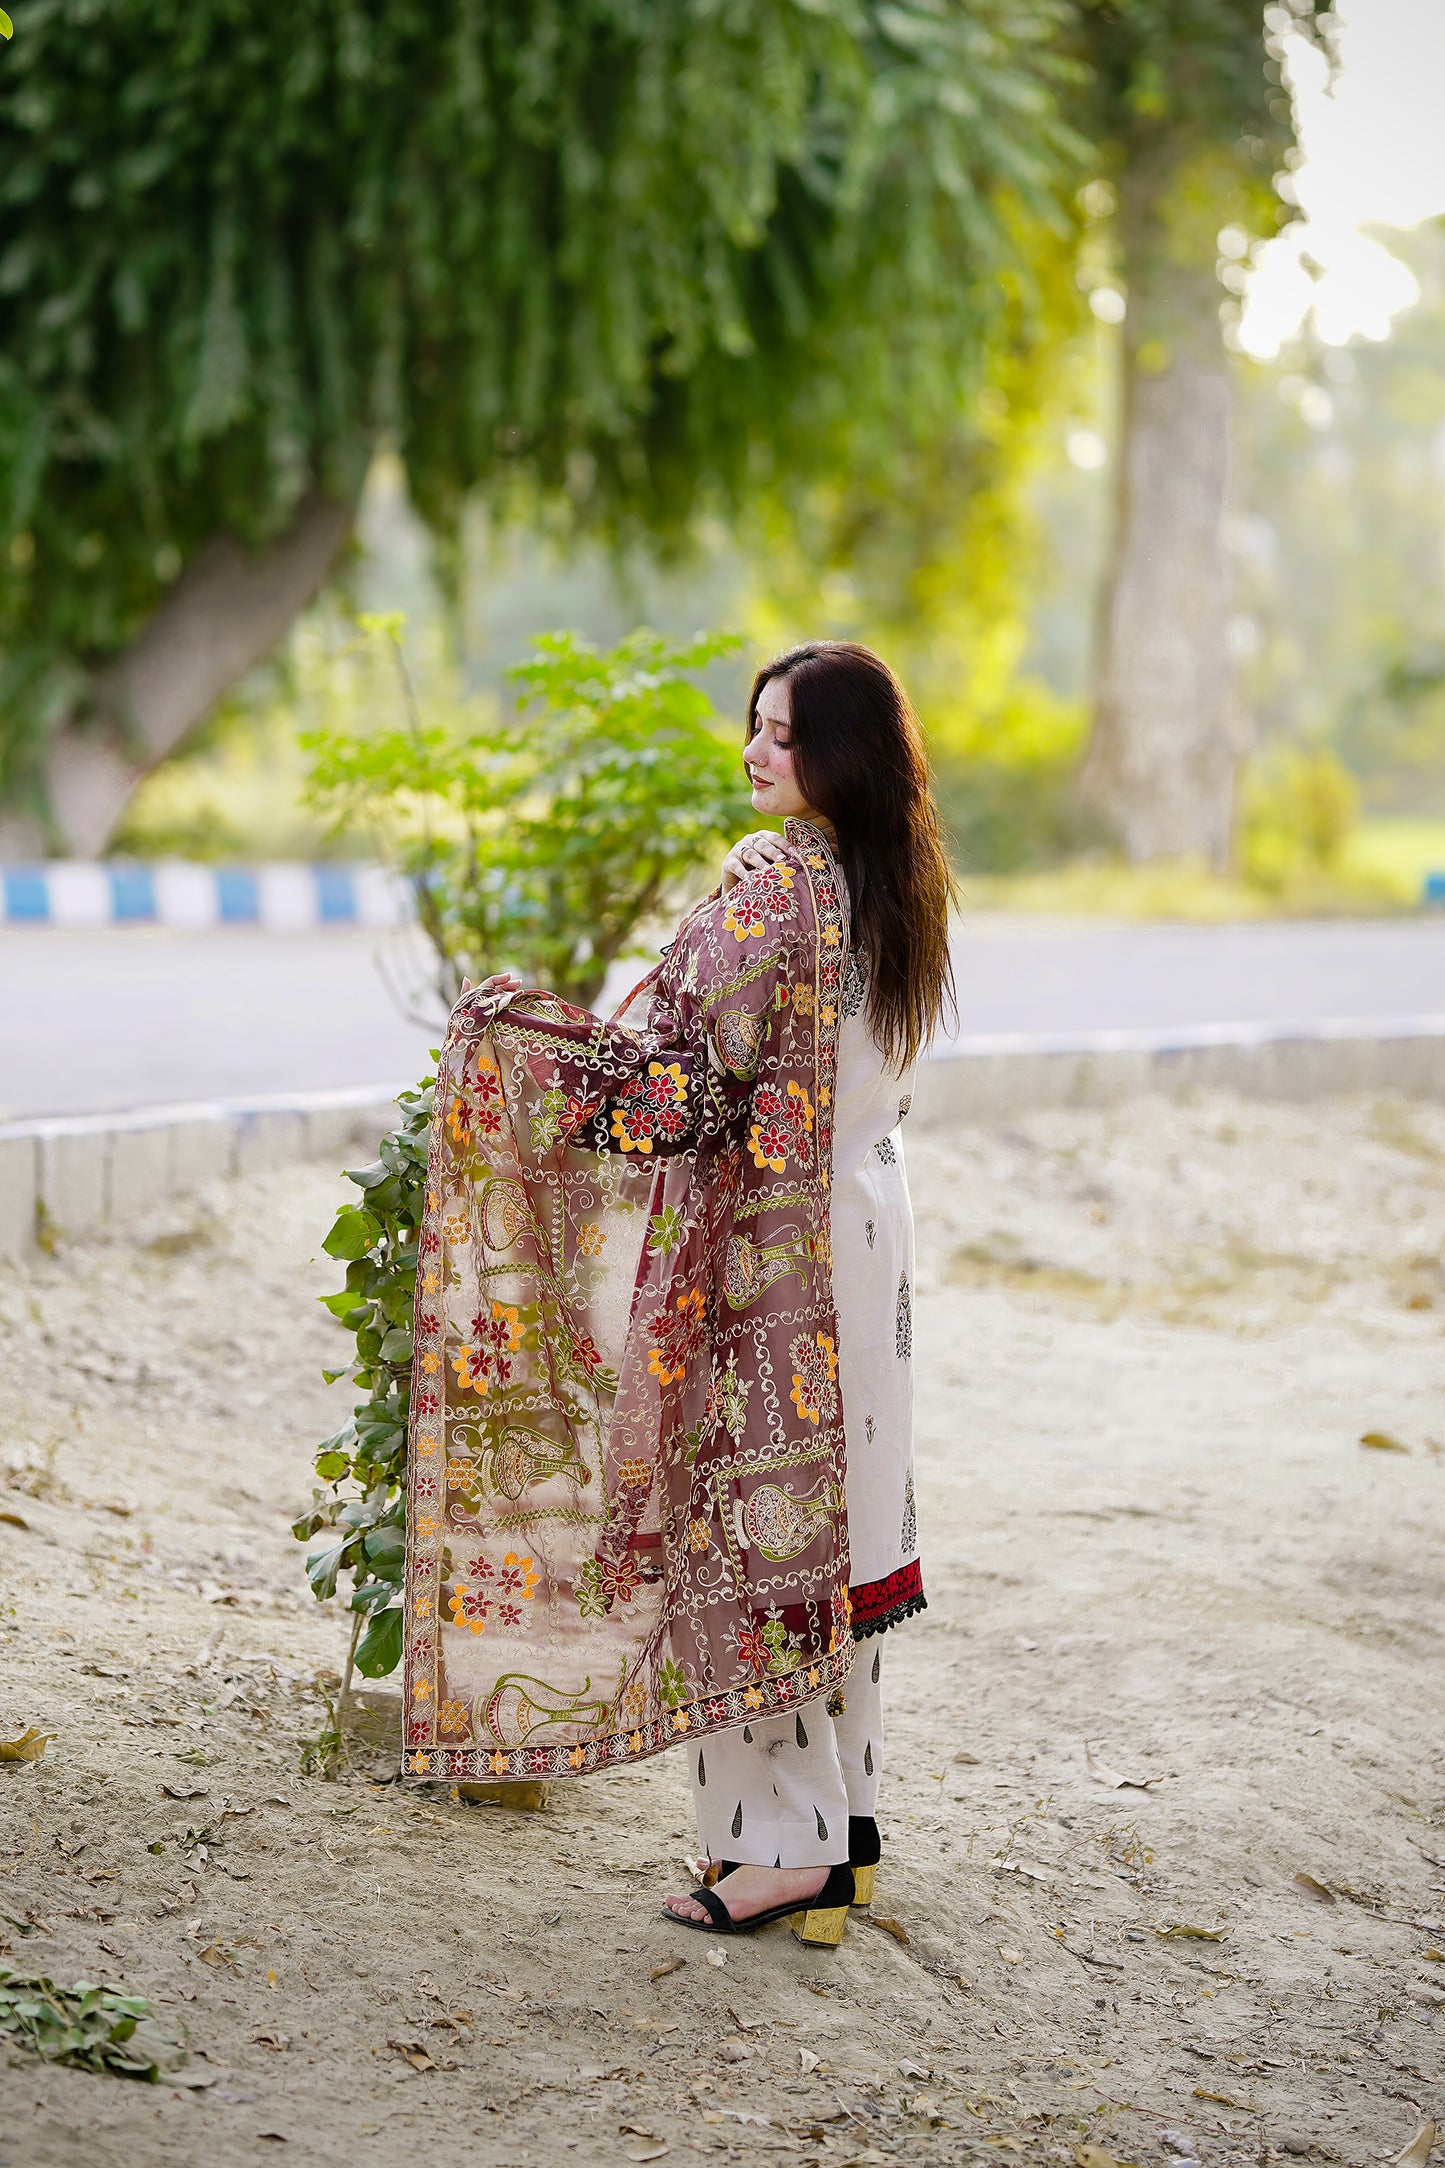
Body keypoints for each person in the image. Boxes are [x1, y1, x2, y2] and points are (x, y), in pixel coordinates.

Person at [403, 641, 956, 1946]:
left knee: (746, 1546)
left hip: (777, 1263)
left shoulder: (765, 899)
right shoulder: (897, 887)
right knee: (848, 1542)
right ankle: (848, 1834)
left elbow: (677, 1098)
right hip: (865, 1234)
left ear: (840, 759)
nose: (753, 755)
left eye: (781, 737)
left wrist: (521, 1051)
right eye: (754, 729)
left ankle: (781, 1855)